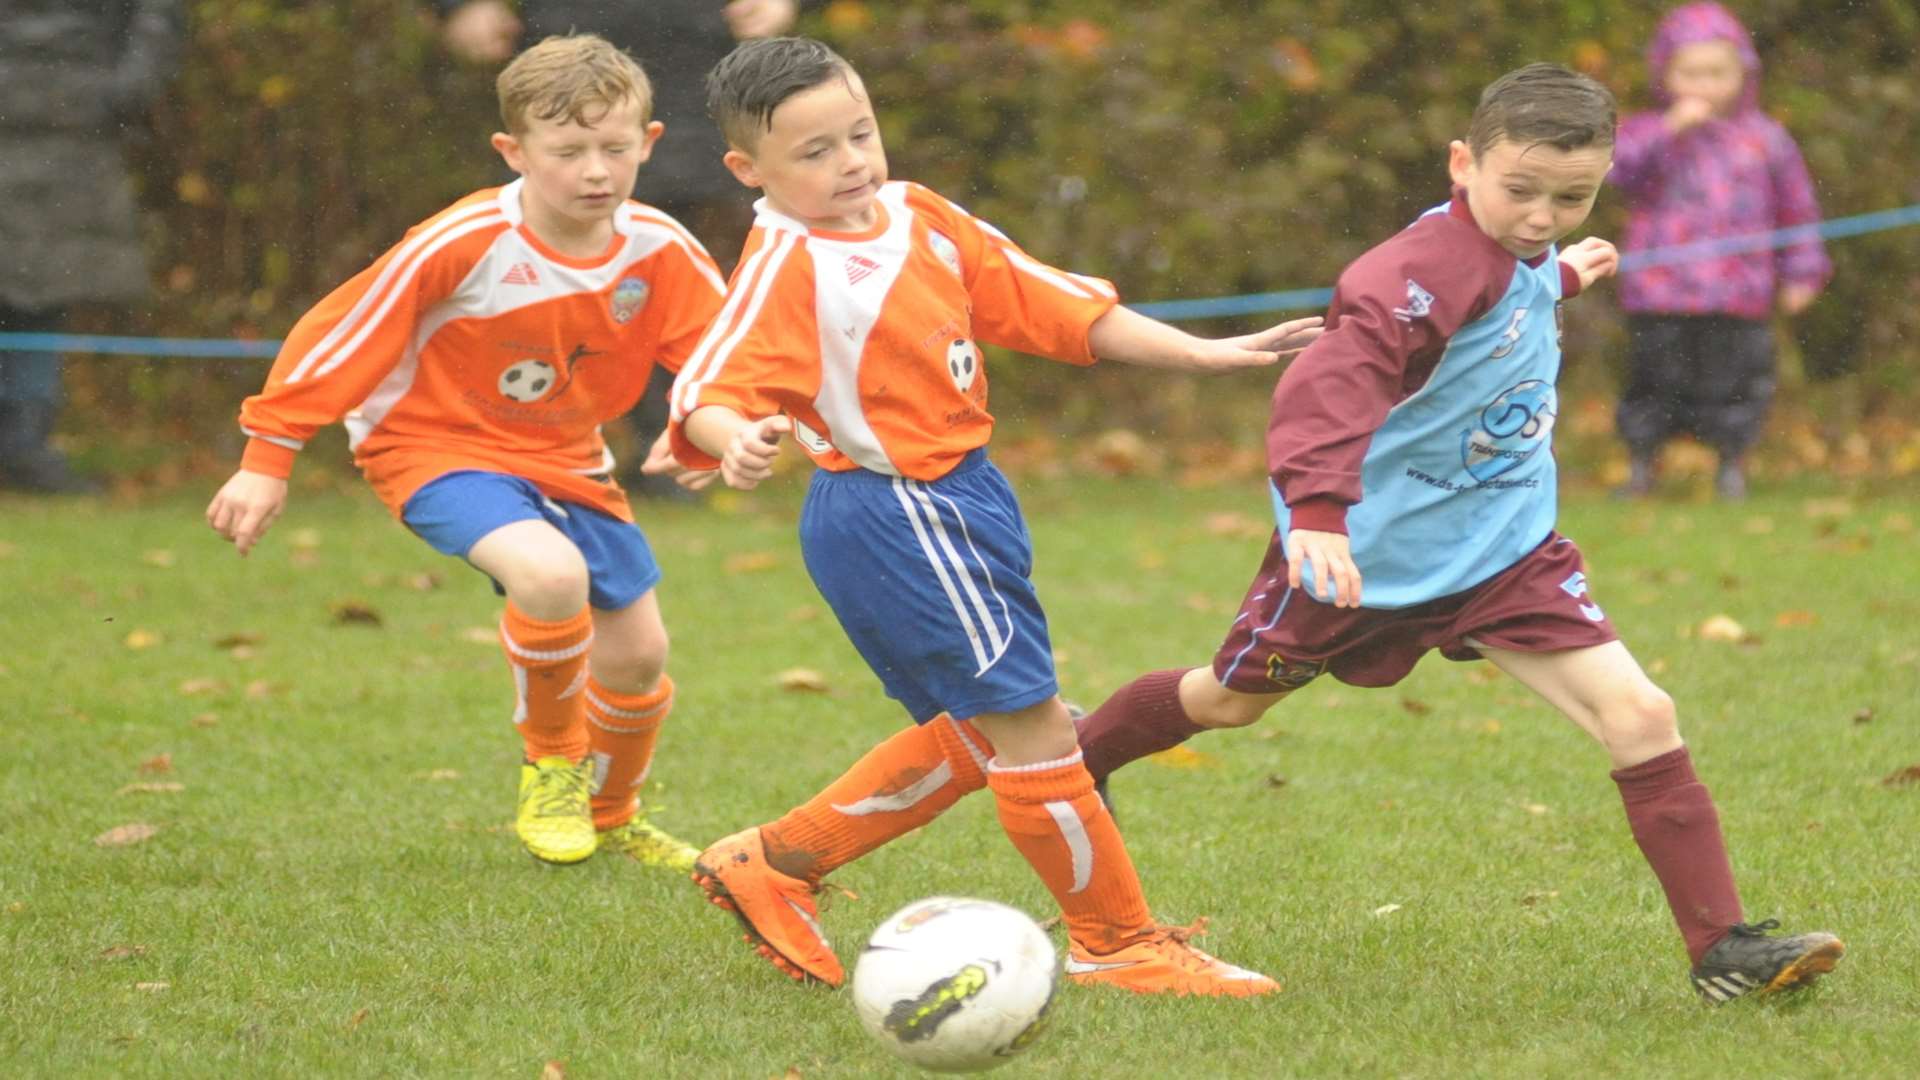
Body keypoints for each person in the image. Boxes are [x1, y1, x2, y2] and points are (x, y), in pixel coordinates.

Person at [1069, 63, 1843, 1005]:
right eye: (1520, 191)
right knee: (1226, 703)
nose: (1540, 215)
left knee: (1640, 715)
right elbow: (1331, 384)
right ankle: (1076, 762)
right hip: (1365, 559)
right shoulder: (1414, 273)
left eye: (1573, 196)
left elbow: (1502, 295)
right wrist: (1317, 514)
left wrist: (1560, 274)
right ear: (1461, 163)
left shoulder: (1518, 253)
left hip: (1504, 552)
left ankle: (1724, 949)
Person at [654, 37, 1322, 997]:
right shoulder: (787, 263)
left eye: (859, 133)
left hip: (964, 498)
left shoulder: (917, 212)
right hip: (894, 511)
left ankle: (775, 861)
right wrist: (731, 440)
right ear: (747, 171)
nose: (850, 162)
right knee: (1036, 731)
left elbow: (1054, 305)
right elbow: (714, 380)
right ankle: (1117, 943)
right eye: (814, 152)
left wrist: (1210, 354)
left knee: (983, 731)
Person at [206, 35, 726, 871]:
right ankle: (553, 764)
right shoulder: (467, 238)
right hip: (430, 444)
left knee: (637, 657)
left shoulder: (659, 248)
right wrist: (269, 454)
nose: (596, 170)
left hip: (567, 456)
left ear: (650, 143)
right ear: (513, 152)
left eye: (615, 149)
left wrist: (710, 427)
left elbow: (722, 360)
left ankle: (614, 814)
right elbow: (342, 334)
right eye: (569, 152)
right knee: (548, 576)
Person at [437, 0, 804, 499]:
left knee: (664, 277)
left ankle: (680, 433)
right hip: (561, 34)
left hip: (690, 57)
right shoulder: (461, 235)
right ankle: (512, 442)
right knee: (549, 268)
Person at [1610, 2, 1831, 499]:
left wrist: (1802, 272)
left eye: (1717, 73)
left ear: (1743, 73)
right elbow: (1616, 173)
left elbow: (1797, 210)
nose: (1704, 84)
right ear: (1665, 72)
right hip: (1659, 293)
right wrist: (1669, 130)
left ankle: (1730, 464)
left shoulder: (1766, 140)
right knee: (1653, 381)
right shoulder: (1649, 131)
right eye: (1690, 72)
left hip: (1739, 295)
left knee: (1737, 382)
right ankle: (1643, 464)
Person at [0, 0, 182, 494]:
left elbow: (154, 17)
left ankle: (25, 449)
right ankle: (25, 451)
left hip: (75, 129)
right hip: (76, 116)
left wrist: (118, 92)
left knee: (40, 301)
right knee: (38, 304)